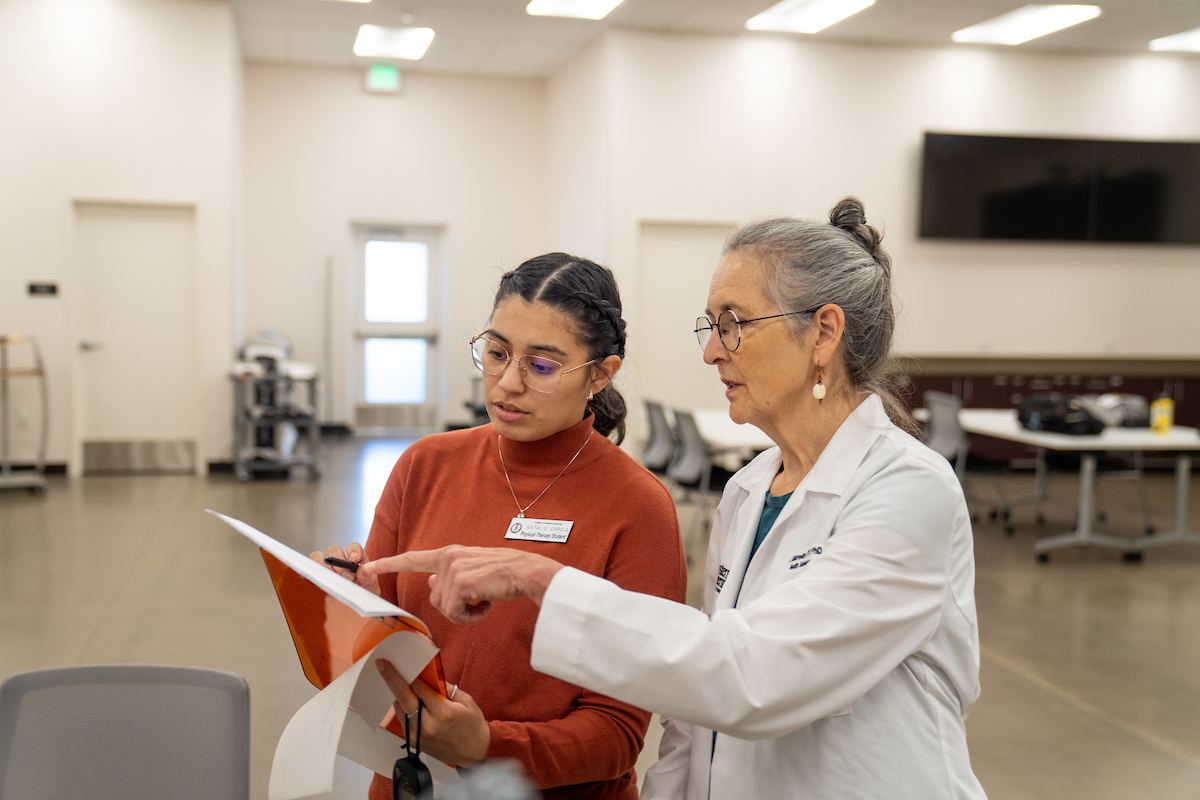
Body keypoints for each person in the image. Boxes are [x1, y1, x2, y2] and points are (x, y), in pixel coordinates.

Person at [364, 198, 989, 800]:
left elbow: (754, 675)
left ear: (823, 332)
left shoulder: (909, 490)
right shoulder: (747, 491)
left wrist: (537, 579)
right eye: (710, 327)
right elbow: (693, 718)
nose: (712, 349)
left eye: (733, 325)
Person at [314, 253, 687, 800]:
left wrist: (487, 745)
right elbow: (377, 661)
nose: (506, 383)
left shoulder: (638, 508)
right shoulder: (425, 466)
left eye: (541, 366)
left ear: (600, 374)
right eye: (496, 352)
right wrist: (346, 609)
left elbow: (618, 732)